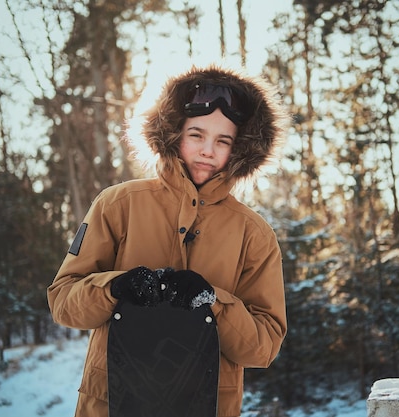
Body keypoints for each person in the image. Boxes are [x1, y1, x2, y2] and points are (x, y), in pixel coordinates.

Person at [47, 64, 289, 417]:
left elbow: (264, 346)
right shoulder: (117, 205)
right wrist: (116, 287)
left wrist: (213, 302)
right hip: (111, 405)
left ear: (240, 150)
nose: (208, 150)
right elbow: (63, 302)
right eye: (197, 135)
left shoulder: (254, 233)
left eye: (223, 141)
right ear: (174, 133)